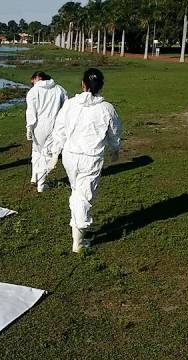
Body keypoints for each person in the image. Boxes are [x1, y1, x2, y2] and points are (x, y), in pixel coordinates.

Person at [47, 68, 121, 253]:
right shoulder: (107, 108)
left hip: (71, 157)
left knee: (77, 192)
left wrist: (55, 153)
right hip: (90, 158)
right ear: (101, 86)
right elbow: (115, 133)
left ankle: (77, 236)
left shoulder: (71, 104)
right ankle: (77, 243)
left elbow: (59, 130)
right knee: (83, 197)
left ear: (83, 84)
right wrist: (115, 149)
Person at [25, 71, 68, 192]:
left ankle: (37, 180)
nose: (32, 82)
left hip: (38, 126)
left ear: (37, 78)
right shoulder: (60, 89)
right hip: (54, 126)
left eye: (32, 80)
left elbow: (30, 112)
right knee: (46, 154)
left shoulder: (33, 91)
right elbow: (66, 109)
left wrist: (29, 127)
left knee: (37, 151)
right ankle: (40, 182)